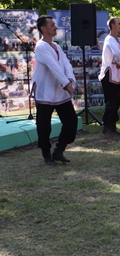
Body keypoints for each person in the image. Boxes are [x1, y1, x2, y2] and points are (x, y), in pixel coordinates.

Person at [32, 15, 78, 165]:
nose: (55, 27)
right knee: (44, 126)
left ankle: (59, 150)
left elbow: (66, 64)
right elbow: (53, 66)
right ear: (43, 29)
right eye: (52, 25)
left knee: (71, 122)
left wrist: (71, 80)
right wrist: (66, 84)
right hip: (45, 92)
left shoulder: (56, 46)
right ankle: (46, 155)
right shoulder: (41, 47)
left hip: (60, 92)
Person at [98, 17, 120, 137]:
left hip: (115, 73)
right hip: (108, 73)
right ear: (112, 25)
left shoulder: (119, 40)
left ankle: (111, 126)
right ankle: (107, 126)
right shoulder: (109, 39)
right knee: (112, 101)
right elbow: (117, 53)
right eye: (119, 23)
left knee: (116, 101)